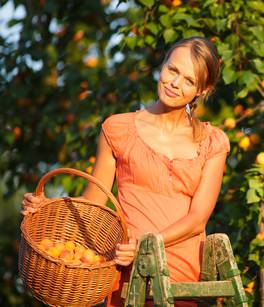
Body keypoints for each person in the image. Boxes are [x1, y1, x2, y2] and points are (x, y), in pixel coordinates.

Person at [21, 37, 230, 306]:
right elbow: (93, 203)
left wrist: (147, 243)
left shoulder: (213, 142)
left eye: (188, 80)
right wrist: (47, 207)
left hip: (177, 267)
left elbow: (198, 218)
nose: (175, 83)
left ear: (203, 88)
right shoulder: (118, 128)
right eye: (172, 70)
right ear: (163, 64)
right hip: (124, 260)